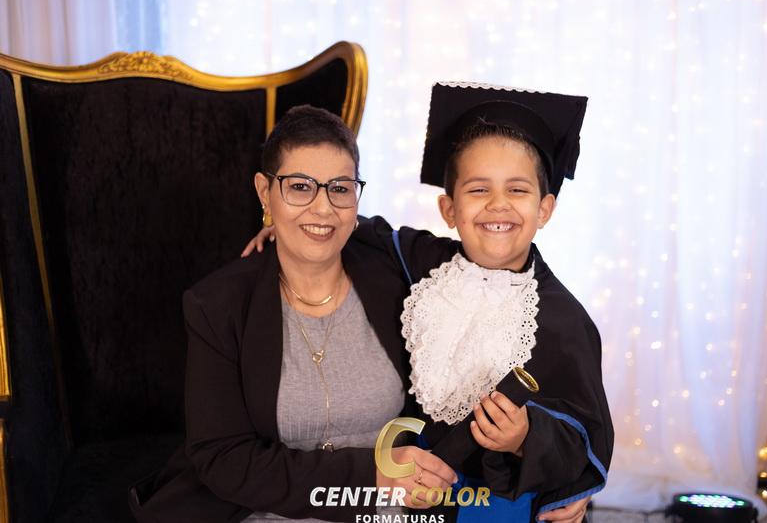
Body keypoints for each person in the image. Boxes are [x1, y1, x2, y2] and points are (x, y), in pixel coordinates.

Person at [246, 83, 613, 523]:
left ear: (545, 209)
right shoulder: (426, 265)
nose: (498, 206)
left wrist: (524, 439)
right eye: (478, 190)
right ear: (449, 210)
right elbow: (363, 229)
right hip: (413, 492)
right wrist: (293, 225)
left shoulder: (563, 320)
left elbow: (584, 437)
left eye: (517, 190)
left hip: (497, 506)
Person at [129, 105, 459, 523]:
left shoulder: (398, 277)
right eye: (300, 187)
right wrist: (369, 476)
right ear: (264, 192)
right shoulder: (218, 306)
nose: (323, 208)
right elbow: (224, 458)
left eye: (340, 189)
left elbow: (498, 269)